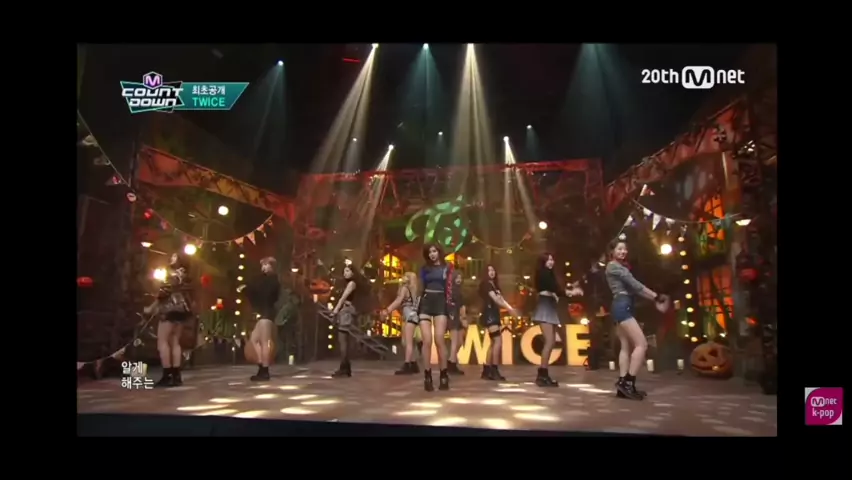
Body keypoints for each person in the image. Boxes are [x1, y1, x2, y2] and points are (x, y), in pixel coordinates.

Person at [605, 239, 668, 400]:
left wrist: (654, 298)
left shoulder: (619, 267)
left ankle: (623, 385)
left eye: (625, 249)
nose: (623, 252)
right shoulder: (614, 266)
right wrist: (656, 296)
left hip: (623, 305)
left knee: (625, 346)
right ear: (612, 251)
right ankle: (628, 383)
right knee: (642, 344)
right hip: (622, 306)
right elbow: (636, 285)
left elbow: (636, 289)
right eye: (619, 249)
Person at [530, 253, 584, 387]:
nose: (551, 262)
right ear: (543, 262)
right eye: (548, 260)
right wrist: (571, 292)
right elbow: (556, 289)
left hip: (549, 306)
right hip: (545, 307)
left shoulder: (548, 273)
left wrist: (568, 290)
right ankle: (542, 375)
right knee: (549, 342)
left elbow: (556, 290)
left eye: (552, 259)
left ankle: (543, 374)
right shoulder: (544, 273)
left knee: (551, 341)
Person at [148, 252, 194, 388]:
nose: (171, 258)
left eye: (174, 256)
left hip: (169, 309)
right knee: (175, 342)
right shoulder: (185, 275)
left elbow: (164, 292)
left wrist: (152, 307)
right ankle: (176, 375)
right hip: (181, 310)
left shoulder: (171, 274)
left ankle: (167, 374)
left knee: (162, 341)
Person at [418, 243, 454, 391]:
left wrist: (452, 307)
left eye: (434, 251)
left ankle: (444, 375)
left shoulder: (448, 267)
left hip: (440, 302)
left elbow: (450, 288)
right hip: (426, 302)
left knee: (439, 339)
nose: (432, 254)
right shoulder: (424, 269)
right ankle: (427, 376)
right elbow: (420, 288)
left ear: (439, 252)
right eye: (429, 252)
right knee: (426, 340)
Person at [239, 257, 281, 382]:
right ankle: (262, 366)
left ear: (272, 266)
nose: (263, 267)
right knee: (254, 340)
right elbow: (256, 293)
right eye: (263, 265)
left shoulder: (272, 280)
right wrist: (246, 289)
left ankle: (264, 370)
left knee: (263, 341)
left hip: (267, 312)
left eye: (266, 265)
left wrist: (248, 289)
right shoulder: (265, 280)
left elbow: (264, 295)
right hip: (264, 312)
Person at [330, 263, 370, 378]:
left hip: (346, 312)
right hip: (347, 311)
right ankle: (346, 367)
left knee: (343, 339)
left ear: (353, 273)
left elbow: (343, 298)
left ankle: (344, 367)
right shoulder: (349, 283)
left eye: (347, 271)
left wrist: (335, 310)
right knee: (344, 340)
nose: (345, 273)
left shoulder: (352, 283)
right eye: (344, 271)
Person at [479, 264, 518, 381]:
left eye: (493, 270)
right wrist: (510, 309)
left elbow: (501, 299)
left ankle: (487, 370)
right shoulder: (486, 284)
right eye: (489, 270)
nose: (492, 272)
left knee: (493, 342)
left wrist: (510, 308)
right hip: (489, 313)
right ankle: (494, 370)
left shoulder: (494, 285)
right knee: (497, 341)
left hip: (494, 314)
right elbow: (495, 299)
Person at [380, 272, 421, 375]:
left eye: (406, 276)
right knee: (407, 341)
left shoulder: (404, 289)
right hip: (413, 316)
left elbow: (398, 301)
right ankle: (413, 363)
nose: (403, 277)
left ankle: (407, 364)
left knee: (408, 342)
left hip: (409, 316)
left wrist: (387, 310)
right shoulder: (414, 290)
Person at [447, 270, 468, 375]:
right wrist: (461, 317)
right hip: (453, 316)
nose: (459, 280)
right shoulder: (451, 291)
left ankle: (451, 360)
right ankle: (452, 364)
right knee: (455, 342)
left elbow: (462, 305)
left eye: (460, 278)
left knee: (459, 342)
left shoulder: (460, 290)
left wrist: (463, 317)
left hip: (458, 317)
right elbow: (452, 305)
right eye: (457, 278)